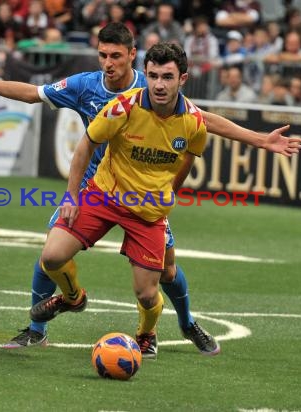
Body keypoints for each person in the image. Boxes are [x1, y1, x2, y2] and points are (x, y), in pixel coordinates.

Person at [0, 22, 301, 356]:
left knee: (167, 273)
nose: (108, 63)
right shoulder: (85, 86)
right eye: (103, 55)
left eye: (116, 55)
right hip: (100, 187)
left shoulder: (154, 86)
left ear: (132, 56)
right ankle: (40, 326)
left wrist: (257, 140)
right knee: (50, 253)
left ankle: (186, 323)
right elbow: (33, 94)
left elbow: (200, 119)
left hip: (146, 197)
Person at [29, 42, 206, 359]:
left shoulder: (194, 122)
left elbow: (186, 162)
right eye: (153, 76)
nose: (158, 84)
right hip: (104, 194)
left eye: (167, 77)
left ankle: (147, 333)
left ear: (183, 78)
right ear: (146, 74)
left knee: (148, 293)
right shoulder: (124, 106)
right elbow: (84, 147)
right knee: (52, 255)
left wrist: (167, 194)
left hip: (148, 212)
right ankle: (72, 297)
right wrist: (71, 195)